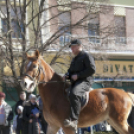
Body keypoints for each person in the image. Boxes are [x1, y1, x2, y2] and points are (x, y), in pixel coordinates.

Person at [63, 39, 96, 131]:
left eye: (73, 47)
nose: (72, 49)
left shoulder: (86, 56)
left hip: (85, 81)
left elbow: (92, 70)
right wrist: (67, 75)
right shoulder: (74, 59)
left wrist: (78, 75)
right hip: (75, 82)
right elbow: (70, 72)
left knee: (74, 93)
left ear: (79, 46)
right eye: (71, 48)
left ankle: (74, 120)